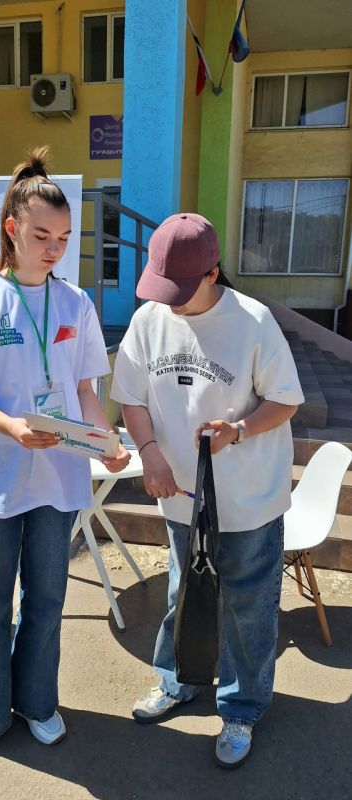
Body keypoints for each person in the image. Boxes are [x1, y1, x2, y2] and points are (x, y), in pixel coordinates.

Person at [0, 147, 130, 765]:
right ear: (11, 229)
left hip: (58, 477)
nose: (54, 250)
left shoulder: (76, 303)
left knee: (46, 601)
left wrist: (108, 441)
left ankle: (39, 704)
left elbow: (84, 392)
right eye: (42, 236)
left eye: (64, 239)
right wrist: (14, 427)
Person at [110, 212, 304, 769]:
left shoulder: (253, 321)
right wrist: (149, 453)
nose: (169, 302)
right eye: (162, 286)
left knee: (247, 607)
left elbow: (285, 401)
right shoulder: (149, 319)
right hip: (180, 493)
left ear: (212, 273)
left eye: (181, 289)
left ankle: (241, 707)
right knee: (183, 594)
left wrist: (238, 430)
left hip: (249, 498)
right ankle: (179, 680)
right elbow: (132, 399)